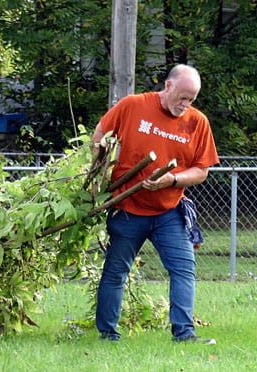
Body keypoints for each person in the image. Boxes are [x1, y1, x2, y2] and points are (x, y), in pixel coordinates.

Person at [91, 64, 219, 343]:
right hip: (127, 208)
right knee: (115, 271)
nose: (185, 105)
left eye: (191, 100)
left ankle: (184, 334)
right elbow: (99, 136)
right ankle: (108, 335)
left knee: (184, 268)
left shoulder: (197, 122)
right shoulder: (132, 106)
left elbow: (201, 170)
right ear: (168, 86)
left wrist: (172, 180)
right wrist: (99, 174)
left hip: (169, 210)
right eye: (182, 97)